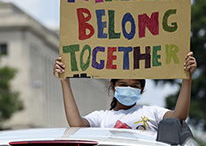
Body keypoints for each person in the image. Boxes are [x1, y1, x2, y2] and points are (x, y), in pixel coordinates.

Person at [53, 52, 197, 131]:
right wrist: (64, 81)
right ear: (113, 86)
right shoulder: (102, 118)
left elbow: (178, 116)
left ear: (141, 89)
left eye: (134, 86)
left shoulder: (151, 112)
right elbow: (76, 124)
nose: (128, 89)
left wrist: (187, 78)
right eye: (123, 84)